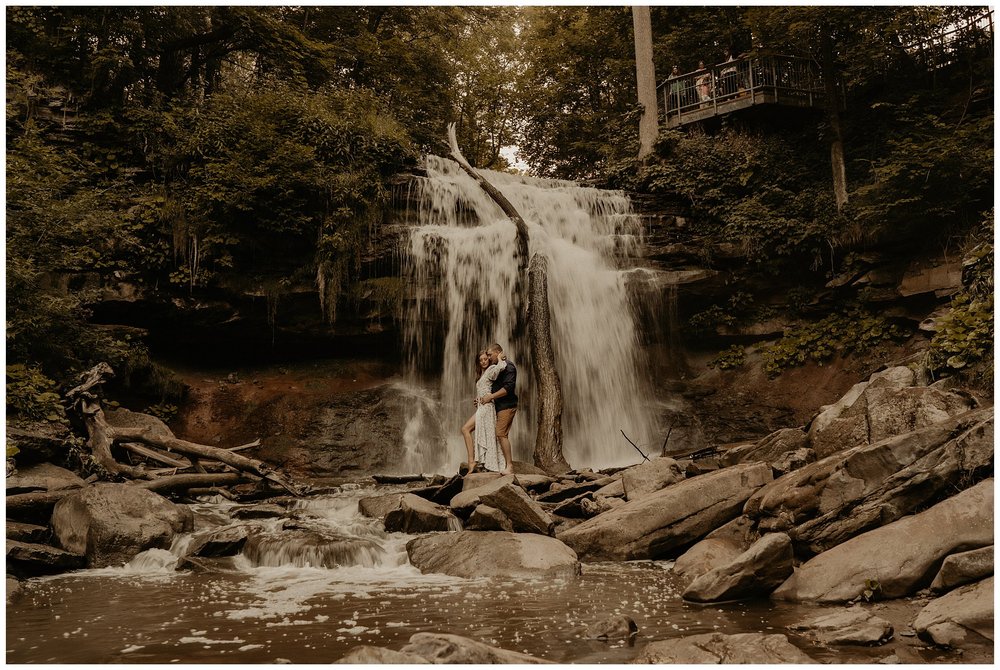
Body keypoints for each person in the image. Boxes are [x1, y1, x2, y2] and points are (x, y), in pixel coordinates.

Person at [460, 349, 507, 474]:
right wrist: (478, 399)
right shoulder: (483, 373)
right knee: (473, 431)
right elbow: (484, 389)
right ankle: (476, 462)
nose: (483, 361)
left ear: (489, 359)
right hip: (482, 406)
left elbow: (500, 368)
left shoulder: (491, 369)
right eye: (480, 360)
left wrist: (501, 358)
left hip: (487, 408)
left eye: (485, 359)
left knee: (465, 429)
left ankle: (472, 462)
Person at [478, 343, 517, 476]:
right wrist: (482, 399)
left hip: (507, 406)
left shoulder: (509, 367)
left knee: (501, 434)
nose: (488, 358)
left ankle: (510, 466)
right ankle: (496, 463)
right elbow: (490, 387)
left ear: (498, 353)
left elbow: (508, 388)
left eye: (490, 354)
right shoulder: (497, 368)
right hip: (498, 407)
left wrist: (491, 397)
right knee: (499, 434)